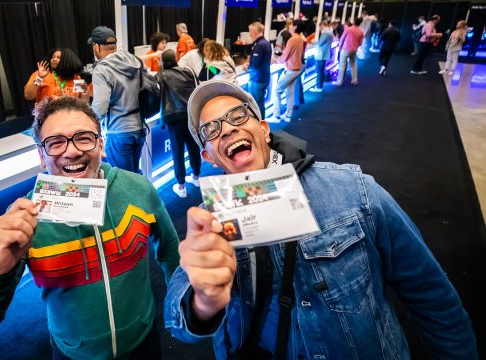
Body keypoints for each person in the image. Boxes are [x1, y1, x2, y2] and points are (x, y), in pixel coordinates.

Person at [163, 79, 479, 360]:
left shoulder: (354, 191)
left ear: (263, 128)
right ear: (208, 155)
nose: (228, 129)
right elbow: (177, 317)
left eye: (238, 115)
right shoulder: (208, 224)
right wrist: (202, 304)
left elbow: (431, 295)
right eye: (211, 129)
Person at [0, 96, 180, 360]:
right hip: (72, 354)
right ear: (41, 154)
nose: (71, 151)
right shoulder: (25, 218)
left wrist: (180, 306)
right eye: (56, 142)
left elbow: (170, 251)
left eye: (84, 137)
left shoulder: (138, 189)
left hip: (144, 343)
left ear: (101, 144)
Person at [89, 26, 156, 174]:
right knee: (134, 174)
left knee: (124, 179)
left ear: (96, 46)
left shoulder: (102, 69)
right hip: (139, 127)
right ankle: (143, 196)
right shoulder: (134, 60)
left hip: (118, 131)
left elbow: (100, 107)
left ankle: (138, 197)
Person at [156, 50, 202, 198]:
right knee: (193, 146)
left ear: (163, 61)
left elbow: (154, 92)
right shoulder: (187, 71)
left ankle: (181, 185)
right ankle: (196, 177)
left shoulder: (161, 75)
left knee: (177, 151)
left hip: (173, 117)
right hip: (189, 114)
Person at [24, 48, 88, 104]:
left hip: (70, 114)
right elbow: (28, 96)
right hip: (47, 115)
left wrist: (84, 90)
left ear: (67, 61)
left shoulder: (76, 78)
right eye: (53, 57)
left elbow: (84, 102)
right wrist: (39, 78)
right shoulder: (41, 74)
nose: (54, 59)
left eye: (58, 58)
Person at [272, 20, 304, 122]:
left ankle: (276, 116)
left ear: (295, 27)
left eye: (291, 25)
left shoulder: (292, 39)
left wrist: (275, 61)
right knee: (289, 92)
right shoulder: (300, 38)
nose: (289, 27)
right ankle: (288, 115)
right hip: (296, 68)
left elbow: (284, 56)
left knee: (277, 91)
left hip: (291, 69)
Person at [243, 21, 272, 118]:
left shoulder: (259, 45)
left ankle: (259, 124)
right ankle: (261, 122)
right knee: (260, 103)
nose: (250, 34)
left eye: (250, 31)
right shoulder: (266, 42)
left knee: (256, 104)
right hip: (263, 77)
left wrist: (247, 66)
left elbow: (255, 64)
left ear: (254, 31)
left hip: (257, 79)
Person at [334, 17, 364, 86]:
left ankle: (339, 81)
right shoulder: (361, 31)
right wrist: (356, 46)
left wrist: (340, 48)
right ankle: (354, 80)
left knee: (342, 65)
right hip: (354, 50)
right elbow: (360, 42)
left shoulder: (348, 29)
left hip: (345, 49)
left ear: (354, 22)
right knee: (353, 64)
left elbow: (342, 39)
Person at [310, 20, 334, 92]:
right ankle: (320, 86)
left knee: (319, 71)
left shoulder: (325, 33)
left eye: (320, 27)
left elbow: (320, 43)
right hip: (324, 53)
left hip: (321, 54)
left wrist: (313, 42)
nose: (319, 29)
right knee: (321, 70)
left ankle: (318, 87)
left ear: (322, 25)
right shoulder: (330, 32)